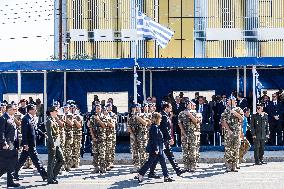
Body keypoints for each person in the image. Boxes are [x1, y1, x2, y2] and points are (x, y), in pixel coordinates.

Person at [148, 103, 186, 177]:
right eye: (170, 107)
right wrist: (169, 138)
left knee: (161, 156)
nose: (171, 108)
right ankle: (176, 171)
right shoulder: (164, 116)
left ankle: (151, 172)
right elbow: (165, 129)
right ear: (166, 108)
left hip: (163, 139)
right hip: (163, 139)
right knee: (165, 156)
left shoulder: (165, 115)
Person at [135, 112, 174, 183]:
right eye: (160, 118)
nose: (161, 120)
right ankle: (140, 174)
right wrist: (156, 149)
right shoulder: (154, 127)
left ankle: (166, 176)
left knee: (162, 162)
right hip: (156, 149)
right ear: (157, 119)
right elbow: (154, 139)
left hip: (159, 148)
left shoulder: (155, 126)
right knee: (150, 162)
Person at [13, 104, 48, 181]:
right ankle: (44, 175)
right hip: (29, 144)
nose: (36, 111)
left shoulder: (31, 118)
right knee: (36, 160)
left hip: (31, 143)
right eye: (34, 109)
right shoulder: (25, 119)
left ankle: (14, 173)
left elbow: (36, 129)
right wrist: (25, 144)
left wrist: (43, 134)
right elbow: (24, 132)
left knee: (22, 160)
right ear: (30, 110)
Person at [221, 95, 244, 172]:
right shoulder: (226, 110)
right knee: (228, 149)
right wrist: (229, 130)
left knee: (236, 149)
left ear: (234, 101)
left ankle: (234, 165)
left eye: (231, 100)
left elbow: (242, 118)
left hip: (236, 132)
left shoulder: (238, 109)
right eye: (228, 100)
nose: (229, 101)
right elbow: (223, 121)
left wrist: (235, 113)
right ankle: (228, 165)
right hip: (228, 132)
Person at [0, 104, 21, 187]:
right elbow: (1, 132)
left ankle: (10, 182)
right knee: (5, 164)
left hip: (13, 143)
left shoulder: (12, 117)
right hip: (7, 144)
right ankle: (10, 181)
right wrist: (3, 143)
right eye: (14, 109)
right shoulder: (3, 118)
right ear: (8, 110)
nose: (15, 110)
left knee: (12, 163)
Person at [178, 100, 200, 172]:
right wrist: (183, 132)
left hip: (192, 134)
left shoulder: (195, 113)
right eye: (187, 104)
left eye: (190, 104)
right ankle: (186, 166)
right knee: (185, 150)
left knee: (192, 150)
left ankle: (192, 166)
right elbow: (179, 123)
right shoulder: (181, 113)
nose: (188, 105)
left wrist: (189, 114)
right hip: (184, 134)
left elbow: (196, 121)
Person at [46, 106, 64, 184]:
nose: (57, 112)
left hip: (56, 142)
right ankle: (50, 179)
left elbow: (61, 125)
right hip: (52, 143)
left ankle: (53, 176)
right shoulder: (49, 121)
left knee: (61, 159)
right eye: (56, 111)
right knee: (51, 161)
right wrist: (53, 145)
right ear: (51, 112)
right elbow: (49, 135)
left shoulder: (54, 120)